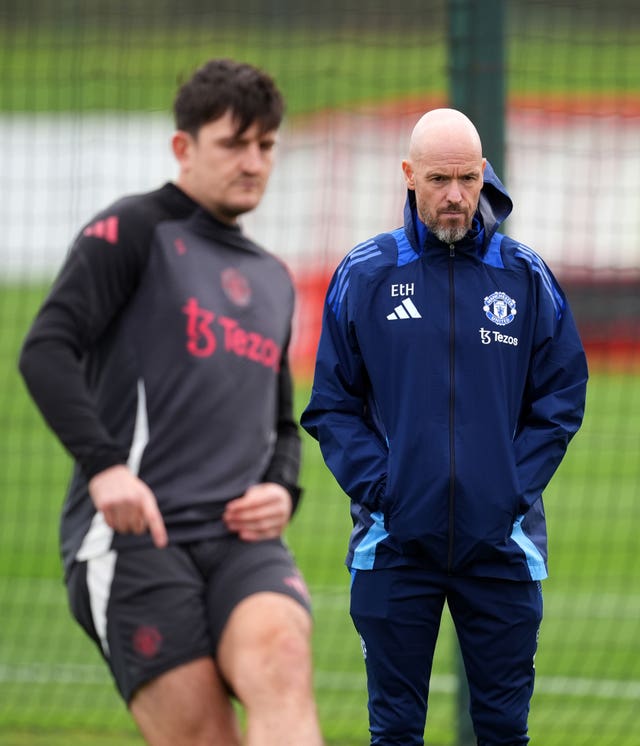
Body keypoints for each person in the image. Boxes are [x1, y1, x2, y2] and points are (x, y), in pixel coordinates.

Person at [19, 58, 323, 746]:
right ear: (183, 147)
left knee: (282, 660)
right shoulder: (134, 230)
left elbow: (280, 423)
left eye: (266, 145)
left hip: (243, 543)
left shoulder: (273, 280)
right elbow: (45, 350)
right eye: (233, 143)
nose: (253, 162)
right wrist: (104, 468)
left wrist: (281, 487)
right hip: (136, 543)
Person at [301, 108, 588, 745]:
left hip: (503, 546)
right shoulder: (367, 274)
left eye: (466, 178)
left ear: (484, 173)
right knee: (396, 733)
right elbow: (331, 405)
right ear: (409, 176)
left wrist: (510, 488)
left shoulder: (525, 275)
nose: (456, 195)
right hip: (394, 545)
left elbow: (562, 396)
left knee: (504, 733)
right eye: (438, 179)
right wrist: (387, 490)